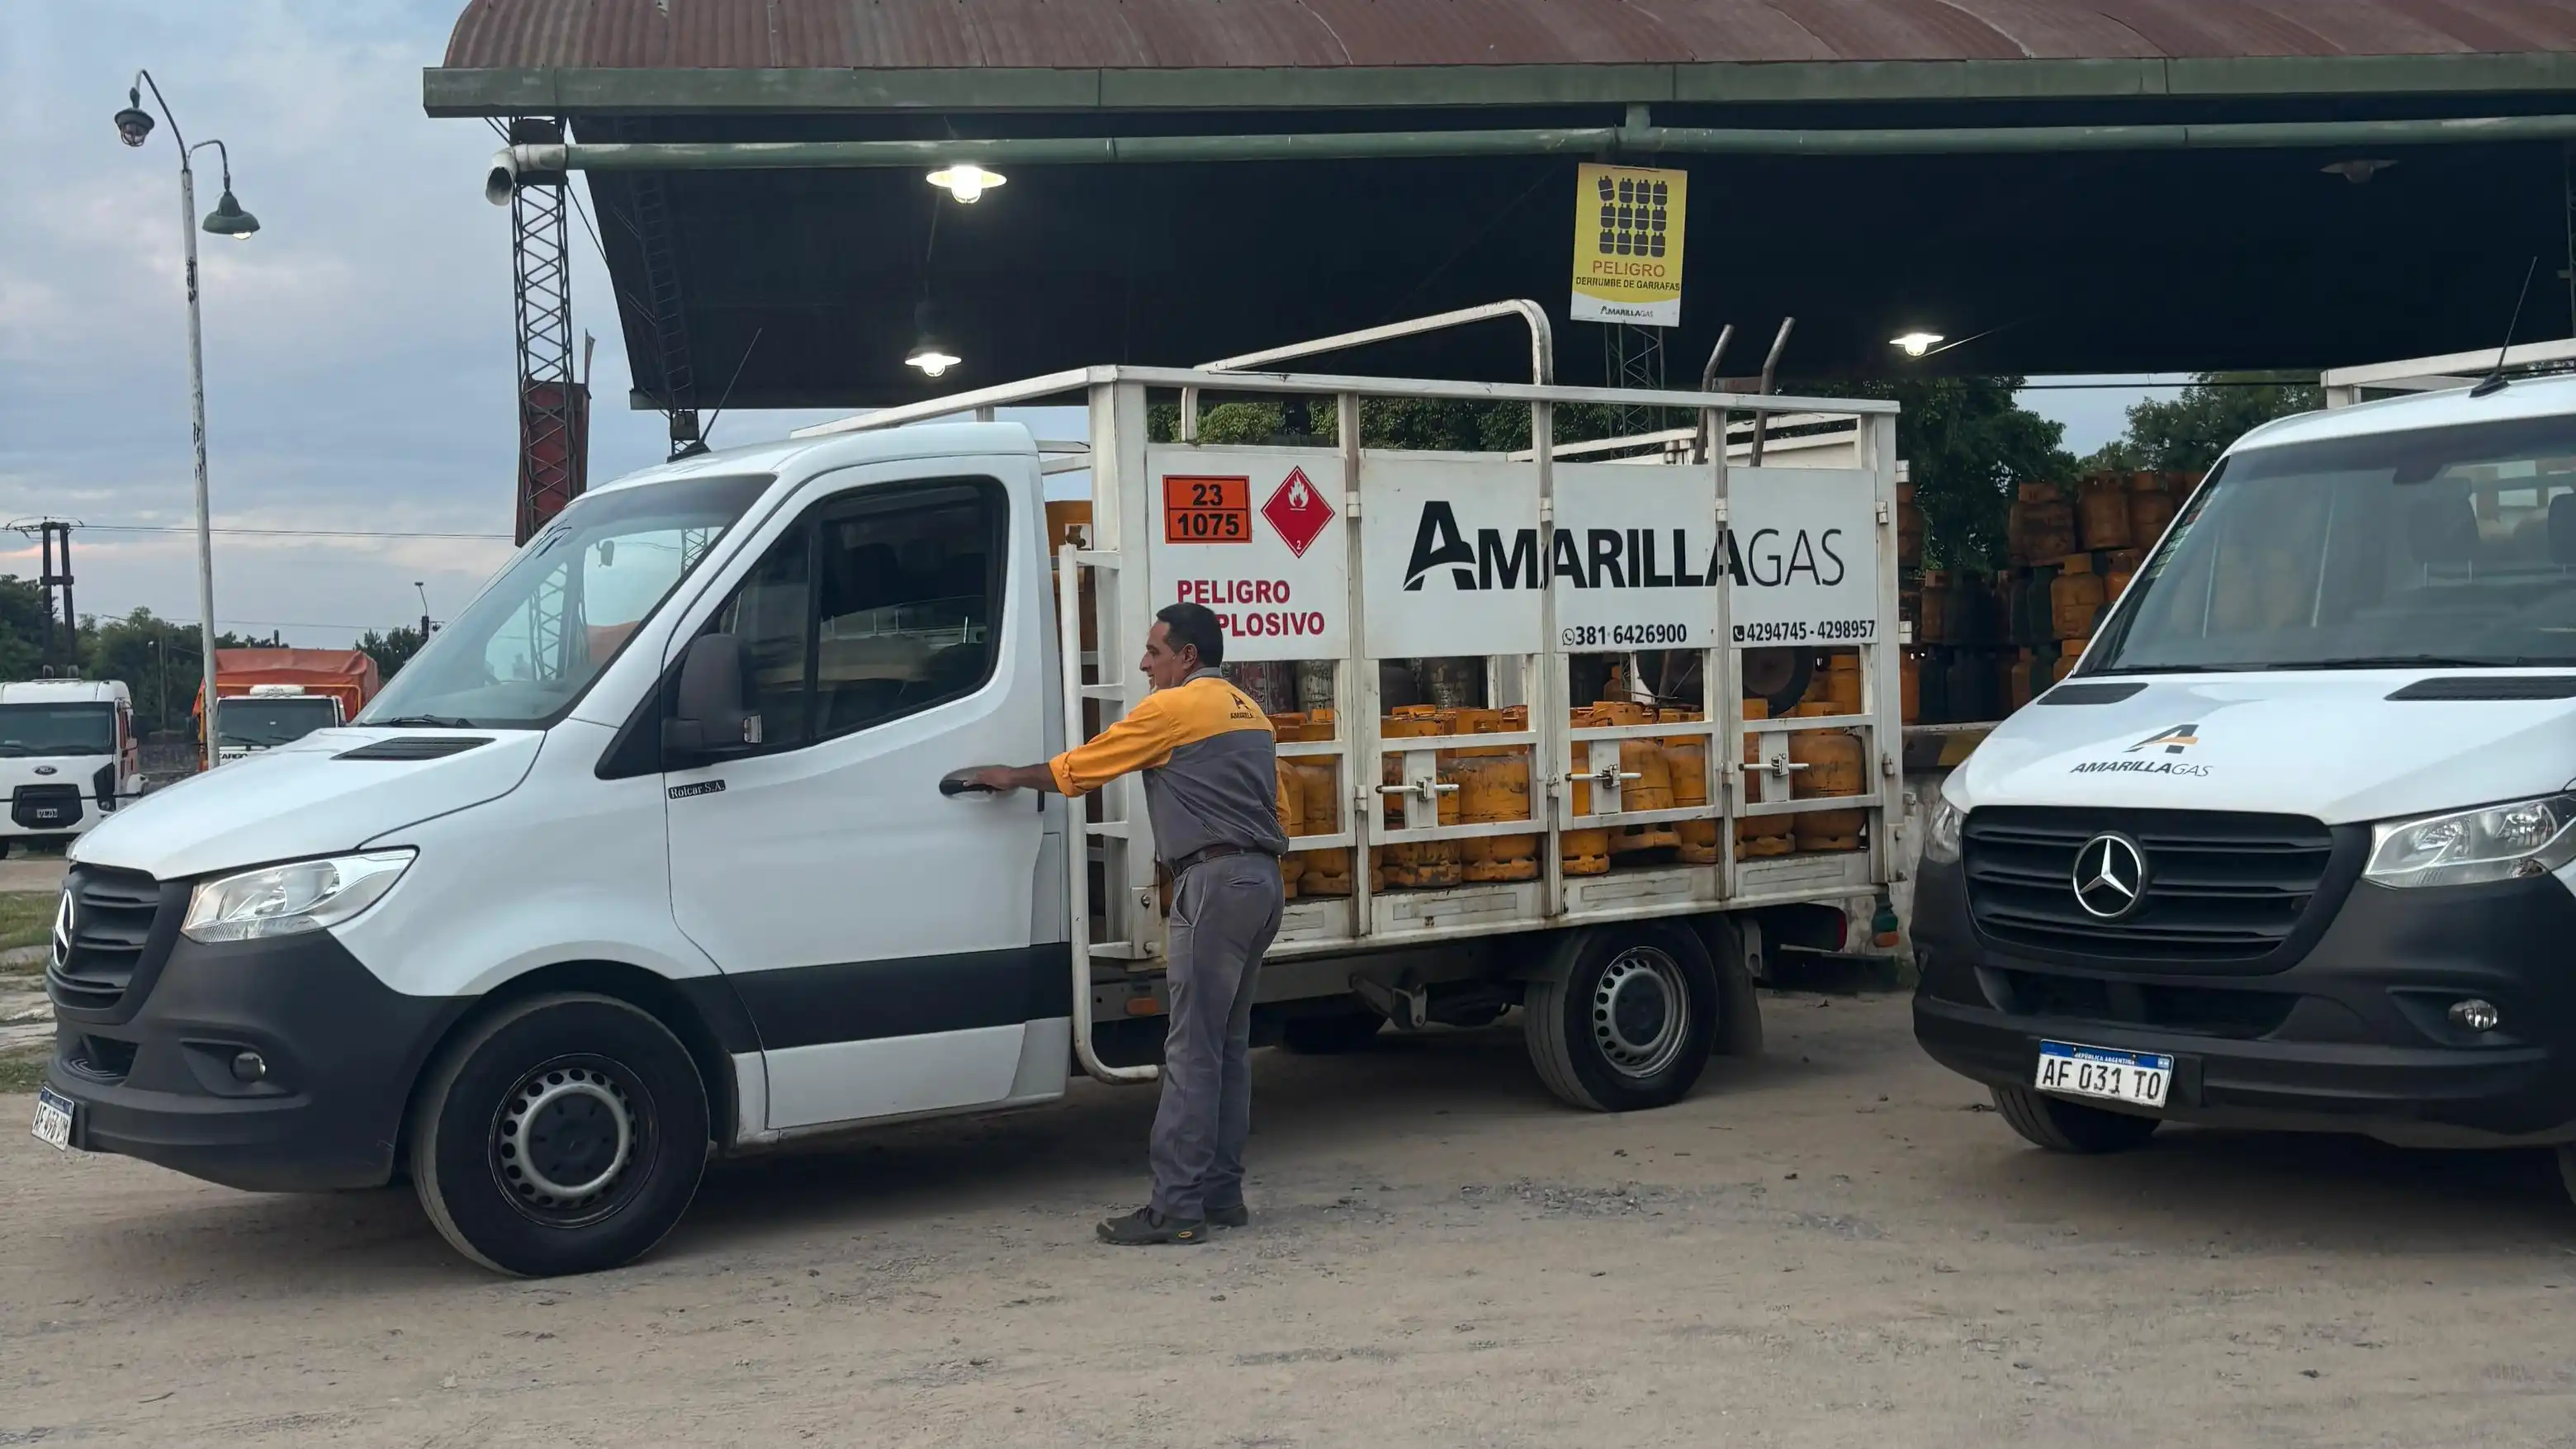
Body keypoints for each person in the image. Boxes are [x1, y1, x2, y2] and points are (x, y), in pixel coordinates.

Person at [959, 601, 1289, 1245]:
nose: (1144, 663)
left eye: (1154, 651)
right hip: (1261, 881)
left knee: (1192, 1049)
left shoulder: (1173, 709)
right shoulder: (1253, 713)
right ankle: (1222, 1195)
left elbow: (1085, 766)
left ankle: (1176, 1208)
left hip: (1215, 884)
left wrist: (1011, 776)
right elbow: (1278, 806)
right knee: (1227, 1046)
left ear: (1186, 656)